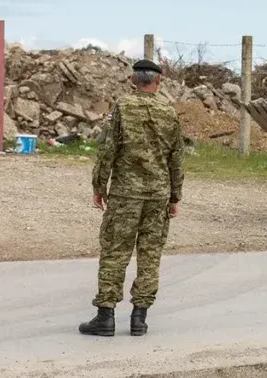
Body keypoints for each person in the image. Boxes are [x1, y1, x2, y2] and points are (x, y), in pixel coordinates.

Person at [78, 58, 185, 337]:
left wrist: (98, 187)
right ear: (158, 81)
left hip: (126, 194)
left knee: (115, 252)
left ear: (133, 80)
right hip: (158, 195)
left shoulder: (122, 108)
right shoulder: (169, 112)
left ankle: (106, 317)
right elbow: (177, 158)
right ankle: (140, 318)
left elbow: (107, 150)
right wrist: (175, 196)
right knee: (150, 255)